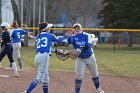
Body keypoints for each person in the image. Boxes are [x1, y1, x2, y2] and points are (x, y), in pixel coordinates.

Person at [22, 22, 69, 93]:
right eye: (49, 27)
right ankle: (27, 92)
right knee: (40, 78)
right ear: (46, 29)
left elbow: (43, 47)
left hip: (37, 57)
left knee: (46, 78)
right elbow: (59, 40)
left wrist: (54, 50)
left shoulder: (38, 36)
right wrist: (65, 36)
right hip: (44, 57)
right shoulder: (50, 35)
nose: (50, 28)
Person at [67, 23, 104, 93]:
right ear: (74, 30)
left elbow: (88, 45)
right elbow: (69, 42)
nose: (77, 29)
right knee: (78, 76)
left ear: (81, 29)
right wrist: (69, 37)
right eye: (75, 28)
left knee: (95, 74)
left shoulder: (86, 35)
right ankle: (77, 92)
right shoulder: (74, 36)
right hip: (80, 59)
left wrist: (80, 50)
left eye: (78, 28)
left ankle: (98, 89)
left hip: (90, 57)